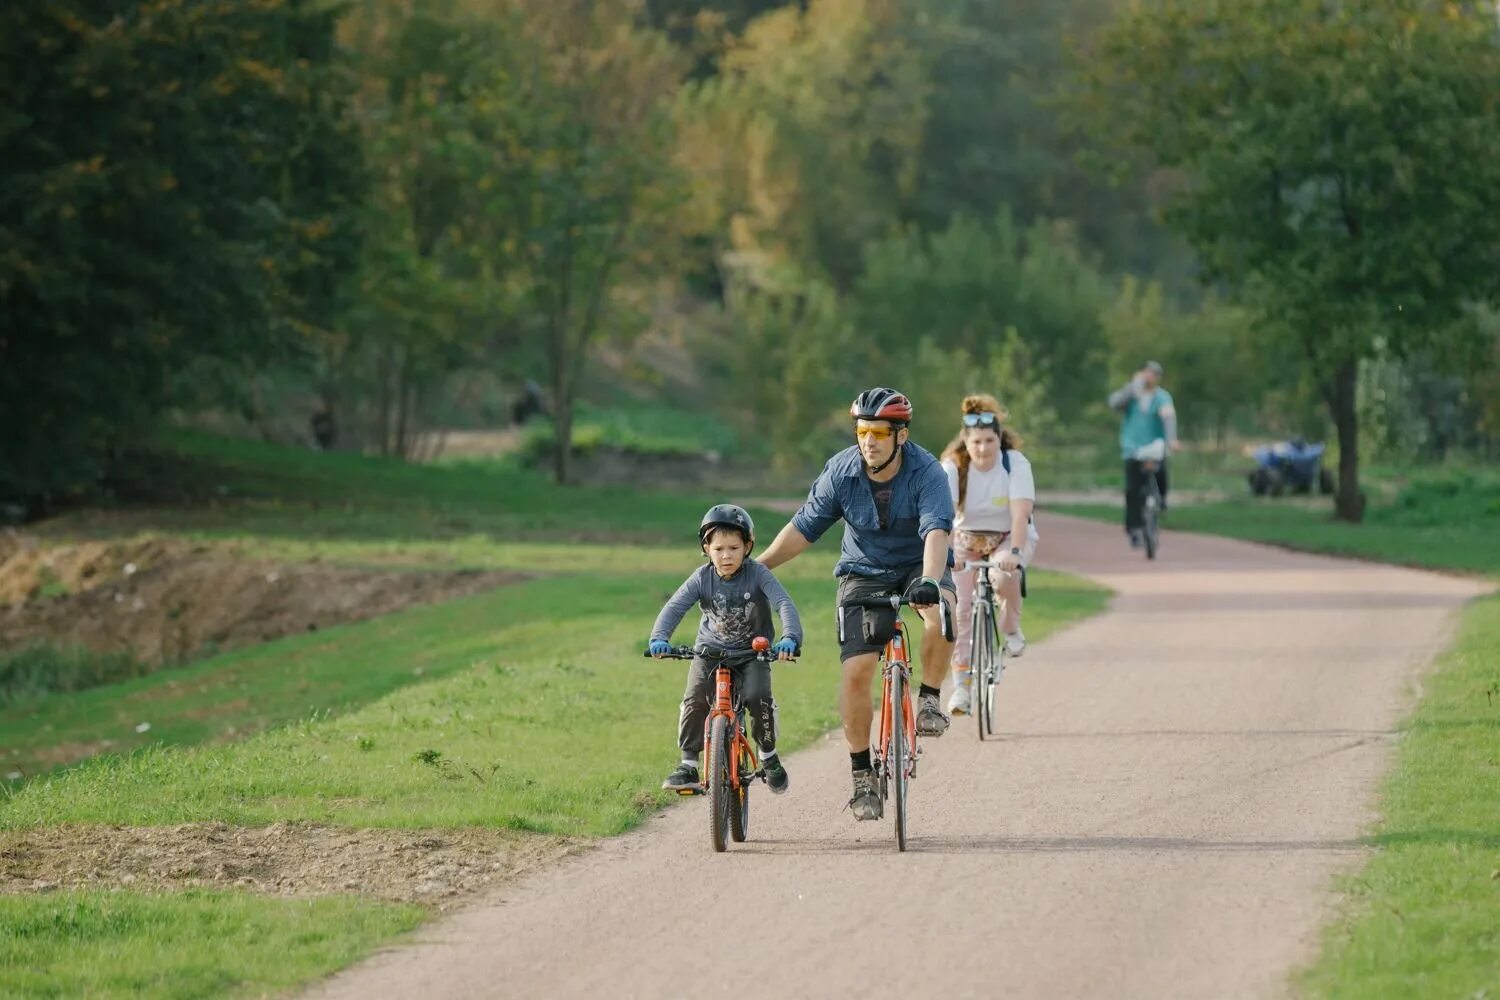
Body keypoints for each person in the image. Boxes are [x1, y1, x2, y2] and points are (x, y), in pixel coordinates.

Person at [757, 387, 956, 822]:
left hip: (919, 562)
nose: (869, 440)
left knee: (940, 614)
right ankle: (863, 776)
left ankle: (929, 699)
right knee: (856, 672)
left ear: (900, 436)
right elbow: (804, 528)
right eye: (863, 431)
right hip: (863, 570)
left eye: (880, 432)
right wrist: (759, 568)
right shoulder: (841, 472)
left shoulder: (928, 473)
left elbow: (937, 532)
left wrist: (928, 581)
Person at [648, 504, 802, 794]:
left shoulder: (758, 574)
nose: (726, 555)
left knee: (758, 698)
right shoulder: (701, 577)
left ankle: (768, 755)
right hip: (709, 653)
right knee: (695, 699)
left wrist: (789, 638)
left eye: (734, 547)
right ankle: (689, 764)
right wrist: (659, 638)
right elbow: (675, 607)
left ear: (748, 546)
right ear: (706, 549)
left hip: (751, 654)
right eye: (718, 549)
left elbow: (784, 604)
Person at [939, 394, 1038, 717]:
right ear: (965, 443)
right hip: (965, 540)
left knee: (1004, 574)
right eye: (976, 442)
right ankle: (961, 689)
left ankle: (1010, 628)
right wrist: (949, 555)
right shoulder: (953, 466)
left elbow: (1020, 515)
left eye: (989, 441)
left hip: (1006, 538)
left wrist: (1017, 554)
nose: (983, 449)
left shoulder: (1015, 463)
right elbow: (946, 515)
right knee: (960, 611)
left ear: (1000, 439)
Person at [1108, 360, 1180, 548]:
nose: (1150, 377)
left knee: (1161, 472)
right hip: (1133, 448)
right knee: (1132, 490)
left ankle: (1162, 499)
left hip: (1155, 446)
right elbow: (1115, 404)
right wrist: (1132, 388)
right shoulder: (1131, 396)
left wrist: (1172, 439)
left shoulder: (1162, 397)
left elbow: (1168, 417)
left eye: (1154, 374)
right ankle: (1134, 529)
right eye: (1147, 373)